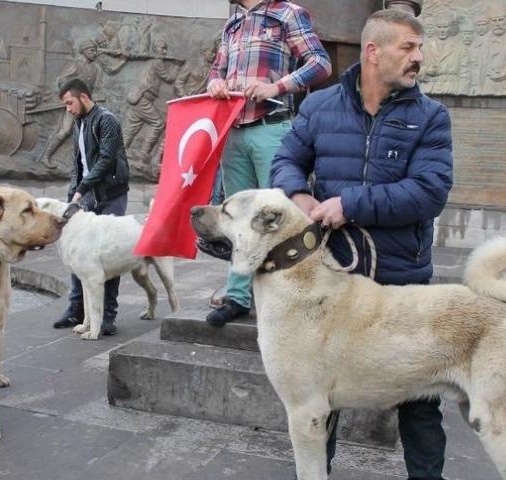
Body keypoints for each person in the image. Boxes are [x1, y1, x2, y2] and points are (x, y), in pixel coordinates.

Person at [270, 9, 453, 479]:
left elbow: (430, 192)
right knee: (319, 394)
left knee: (421, 397)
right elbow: (286, 159)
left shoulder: (431, 117)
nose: (418, 57)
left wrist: (350, 203)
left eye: (419, 47)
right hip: (334, 274)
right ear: (373, 52)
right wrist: (298, 192)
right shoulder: (319, 105)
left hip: (402, 279)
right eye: (407, 47)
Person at [204, 0, 332, 326]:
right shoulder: (232, 25)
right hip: (233, 131)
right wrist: (215, 84)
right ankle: (237, 296)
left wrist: (276, 86)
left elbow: (320, 63)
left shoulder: (288, 13)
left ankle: (289, 293)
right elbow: (215, 72)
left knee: (281, 217)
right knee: (238, 218)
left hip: (272, 129)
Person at [51, 78, 129, 334]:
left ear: (84, 97)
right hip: (85, 197)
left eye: (69, 102)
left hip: (110, 194)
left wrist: (82, 188)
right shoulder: (79, 122)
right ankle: (77, 310)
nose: (68, 109)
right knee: (78, 253)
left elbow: (106, 159)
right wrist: (73, 192)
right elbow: (78, 163)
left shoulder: (107, 120)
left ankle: (107, 316)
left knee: (111, 253)